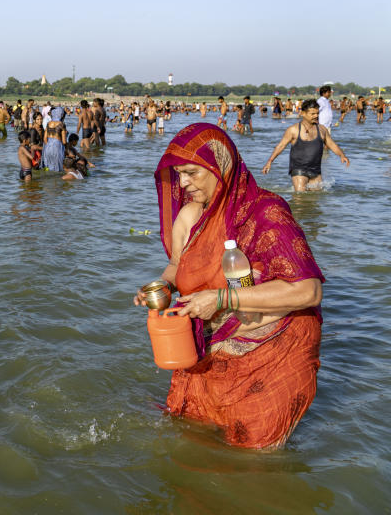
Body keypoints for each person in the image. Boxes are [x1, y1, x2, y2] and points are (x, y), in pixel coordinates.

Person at [135, 122, 324, 449]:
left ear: (219, 166)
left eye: (192, 173)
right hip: (209, 346)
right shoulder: (190, 217)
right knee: (192, 441)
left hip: (272, 349)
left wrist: (222, 297)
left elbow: (308, 290)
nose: (183, 183)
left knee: (253, 460)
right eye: (179, 174)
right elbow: (179, 263)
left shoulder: (266, 211)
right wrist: (163, 285)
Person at [261, 99, 350, 191]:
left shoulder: (322, 129)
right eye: (312, 114)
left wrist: (342, 155)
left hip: (316, 170)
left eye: (317, 113)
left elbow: (331, 144)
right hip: (299, 170)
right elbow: (281, 146)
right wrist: (270, 161)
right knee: (300, 198)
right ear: (303, 113)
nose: (316, 116)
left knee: (315, 199)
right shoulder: (293, 130)